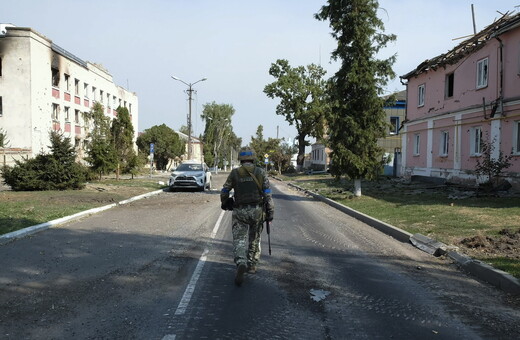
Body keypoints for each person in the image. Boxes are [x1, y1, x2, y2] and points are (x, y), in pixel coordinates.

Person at [220, 148, 274, 286]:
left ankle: (241, 262)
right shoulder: (261, 172)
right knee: (255, 238)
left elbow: (225, 190)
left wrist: (225, 202)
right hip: (257, 210)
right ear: (254, 158)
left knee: (239, 239)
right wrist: (270, 212)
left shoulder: (235, 173)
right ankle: (252, 265)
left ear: (240, 159)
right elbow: (267, 194)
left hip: (240, 211)